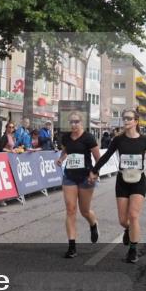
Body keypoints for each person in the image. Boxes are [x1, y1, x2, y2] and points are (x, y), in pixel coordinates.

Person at [92, 108, 146, 263]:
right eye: (124, 118)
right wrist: (94, 170)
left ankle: (133, 250)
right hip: (122, 180)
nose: (126, 121)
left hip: (138, 181)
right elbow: (106, 156)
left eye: (129, 118)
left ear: (136, 121)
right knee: (123, 220)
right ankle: (127, 229)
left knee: (134, 215)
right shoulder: (118, 140)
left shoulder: (145, 140)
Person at [56, 111, 101, 259]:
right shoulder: (66, 137)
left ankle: (93, 224)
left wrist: (95, 173)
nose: (74, 125)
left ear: (82, 123)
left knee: (85, 210)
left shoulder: (88, 137)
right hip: (69, 177)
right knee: (70, 209)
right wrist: (61, 159)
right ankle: (72, 246)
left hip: (85, 178)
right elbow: (66, 150)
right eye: (71, 122)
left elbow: (98, 158)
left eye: (76, 122)